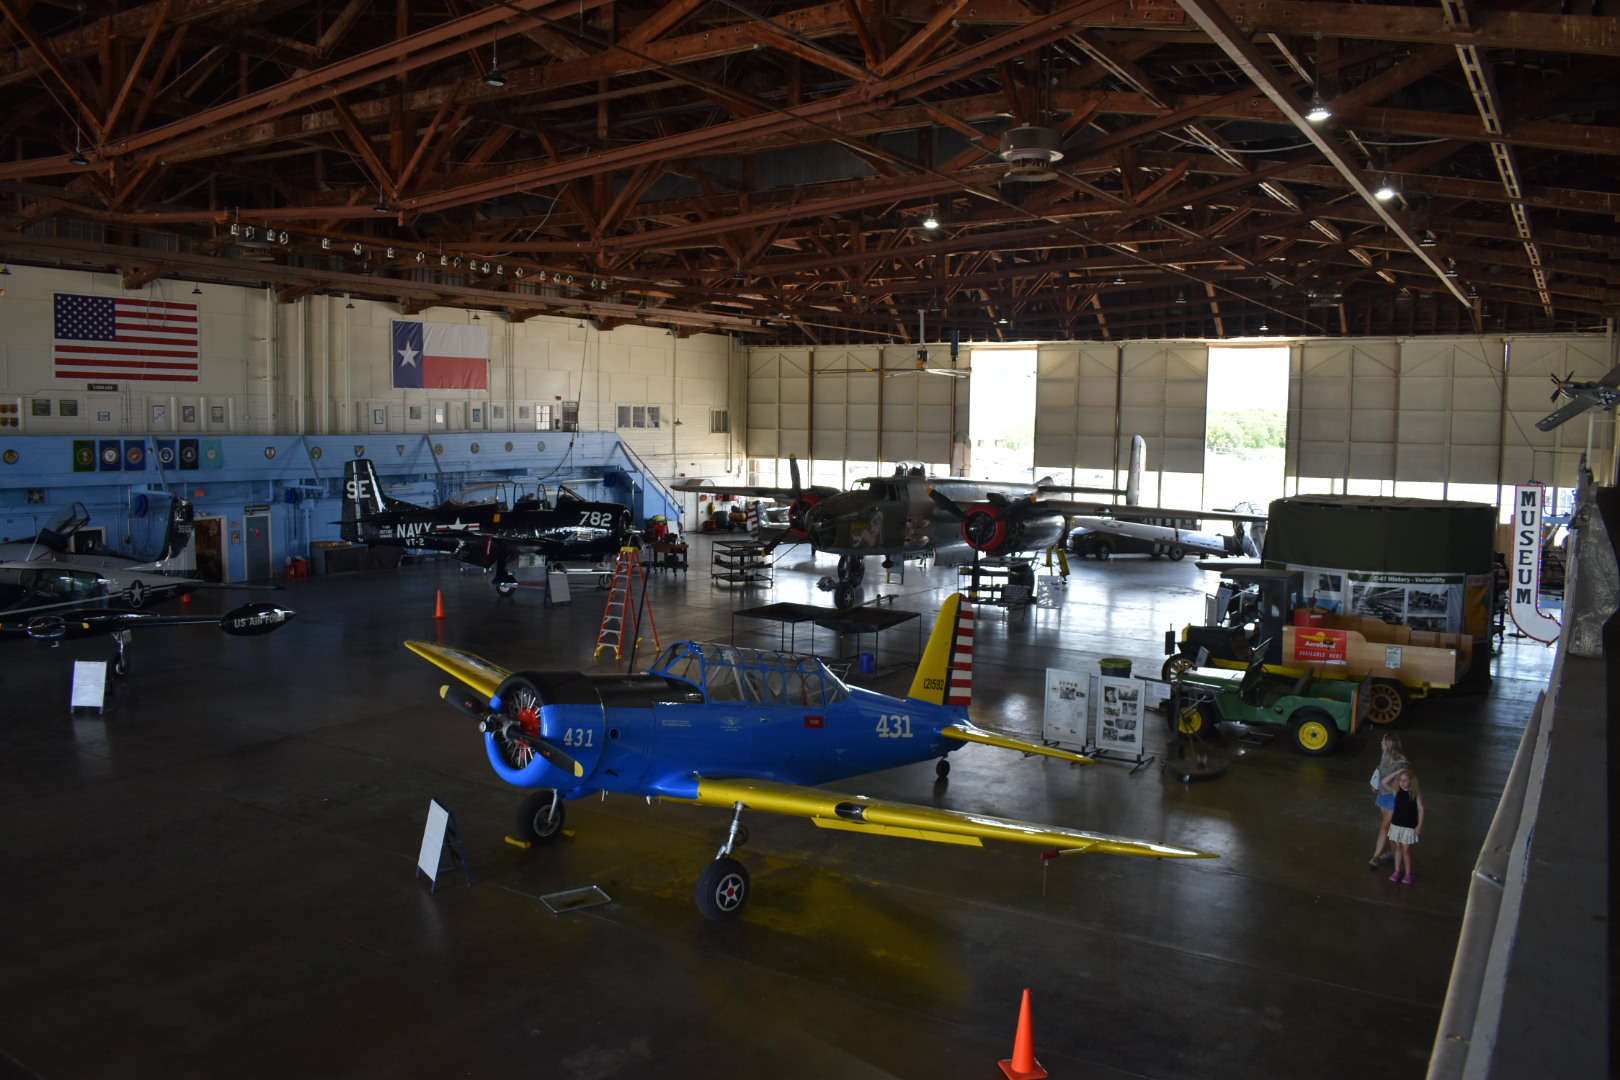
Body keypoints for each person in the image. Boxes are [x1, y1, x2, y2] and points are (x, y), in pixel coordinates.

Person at [1368, 733, 1410, 868]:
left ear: (1388, 745)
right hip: (1383, 795)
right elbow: (1381, 772)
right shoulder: (1384, 756)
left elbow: (1405, 784)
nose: (1381, 742)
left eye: (1383, 741)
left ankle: (1376, 856)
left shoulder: (1402, 764)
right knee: (1390, 826)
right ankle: (1394, 852)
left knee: (1385, 826)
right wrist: (1376, 785)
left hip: (1394, 797)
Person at [1384, 768, 1425, 885]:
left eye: (1405, 780)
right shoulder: (1397, 791)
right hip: (1397, 824)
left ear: (1411, 781)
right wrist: (1396, 773)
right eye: (1400, 780)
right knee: (1398, 848)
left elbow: (1421, 809)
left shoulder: (1415, 793)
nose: (1402, 782)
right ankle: (1397, 871)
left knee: (1406, 850)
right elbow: (1384, 782)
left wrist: (1420, 825)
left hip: (1409, 826)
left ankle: (1408, 873)